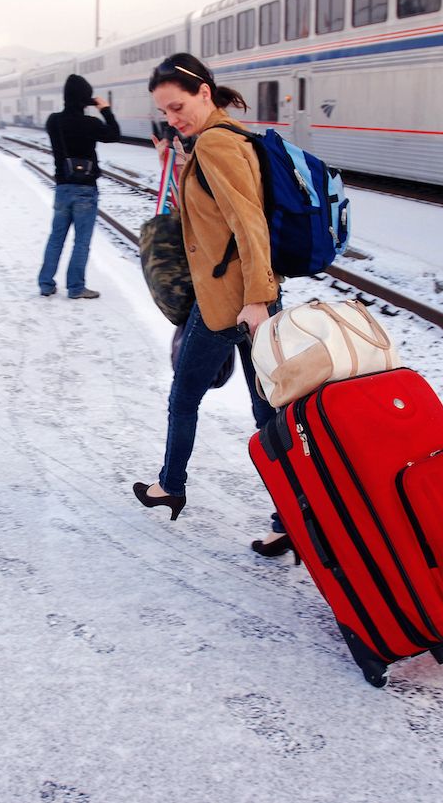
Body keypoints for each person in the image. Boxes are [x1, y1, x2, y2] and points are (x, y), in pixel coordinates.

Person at [132, 53, 284, 557]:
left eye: (178, 107)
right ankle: (294, 516)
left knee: (185, 395)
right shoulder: (219, 138)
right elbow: (207, 218)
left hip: (231, 303)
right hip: (243, 299)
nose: (173, 120)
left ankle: (170, 486)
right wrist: (171, 165)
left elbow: (249, 222)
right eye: (166, 113)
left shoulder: (217, 143)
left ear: (203, 91)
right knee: (268, 416)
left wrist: (259, 299)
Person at [37, 74, 120, 300]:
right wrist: (104, 109)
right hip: (86, 190)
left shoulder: (53, 121)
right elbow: (114, 134)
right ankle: (75, 287)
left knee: (56, 237)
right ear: (86, 98)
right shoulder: (90, 124)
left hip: (63, 188)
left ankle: (46, 283)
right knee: (81, 242)